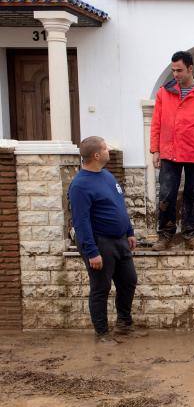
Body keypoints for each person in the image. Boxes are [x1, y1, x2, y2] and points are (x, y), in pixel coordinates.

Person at [68, 137, 138, 342]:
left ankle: (124, 325)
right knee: (101, 288)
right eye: (106, 148)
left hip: (119, 239)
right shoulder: (79, 186)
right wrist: (92, 252)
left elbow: (119, 206)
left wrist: (129, 231)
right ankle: (102, 333)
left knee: (128, 281)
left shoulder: (107, 175)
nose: (109, 151)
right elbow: (80, 222)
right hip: (100, 242)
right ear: (96, 155)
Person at [150, 50, 194, 251]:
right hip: (169, 151)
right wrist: (155, 149)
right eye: (173, 70)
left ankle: (190, 235)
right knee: (166, 195)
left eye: (179, 70)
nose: (176, 75)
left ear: (190, 68)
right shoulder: (164, 92)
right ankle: (165, 236)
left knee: (193, 194)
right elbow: (156, 123)